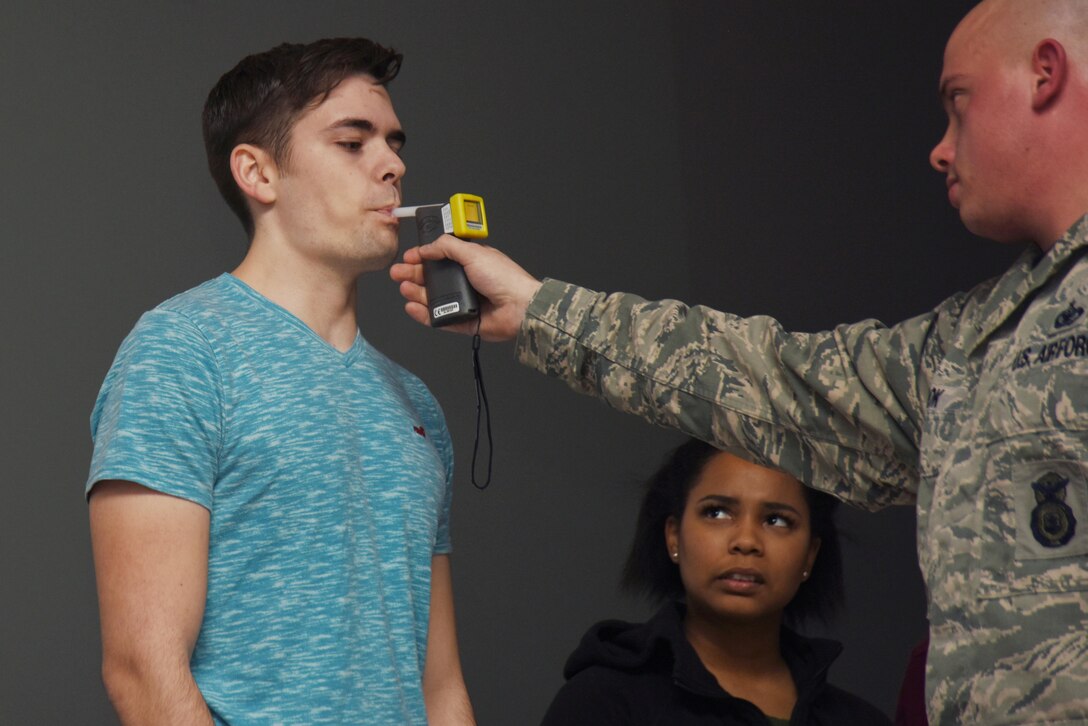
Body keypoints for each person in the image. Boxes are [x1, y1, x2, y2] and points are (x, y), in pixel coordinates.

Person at [390, 0, 1088, 722]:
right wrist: (540, 311)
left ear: (1045, 75)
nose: (941, 148)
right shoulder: (976, 340)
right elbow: (778, 385)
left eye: (958, 103)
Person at [86, 39, 474, 725]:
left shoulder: (416, 404)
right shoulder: (181, 351)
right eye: (353, 143)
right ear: (257, 173)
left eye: (393, 142)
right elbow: (144, 671)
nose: (393, 165)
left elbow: (439, 687)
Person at [540, 439, 889, 725]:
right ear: (674, 537)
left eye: (777, 520)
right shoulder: (606, 701)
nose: (746, 540)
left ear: (810, 555)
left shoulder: (861, 720)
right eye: (717, 513)